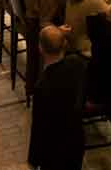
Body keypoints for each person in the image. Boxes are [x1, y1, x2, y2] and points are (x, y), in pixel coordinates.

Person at [27, 26, 88, 170]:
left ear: (40, 48)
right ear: (64, 45)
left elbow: (38, 126)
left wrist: (33, 160)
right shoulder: (77, 64)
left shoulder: (42, 86)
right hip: (76, 140)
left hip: (53, 149)